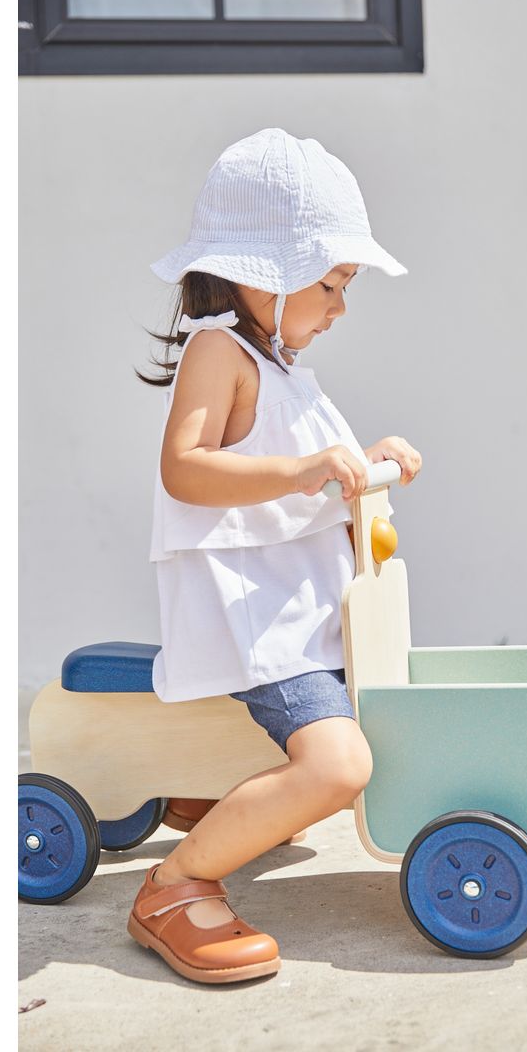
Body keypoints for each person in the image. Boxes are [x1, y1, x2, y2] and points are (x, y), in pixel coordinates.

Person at [128, 128, 422, 984]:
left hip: (305, 604)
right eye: (331, 284)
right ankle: (175, 886)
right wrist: (304, 469)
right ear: (264, 273)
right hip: (261, 615)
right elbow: (186, 469)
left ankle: (222, 801)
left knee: (371, 722)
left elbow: (306, 470)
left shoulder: (285, 365)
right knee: (340, 765)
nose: (339, 306)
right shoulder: (222, 350)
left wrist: (368, 459)